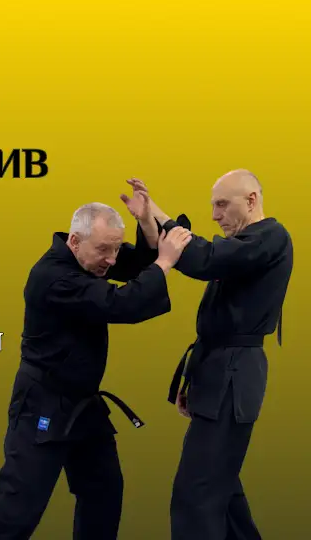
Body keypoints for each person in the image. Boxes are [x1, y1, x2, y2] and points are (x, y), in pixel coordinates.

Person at [0, 195, 192, 539]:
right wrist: (165, 262)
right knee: (17, 510)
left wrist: (146, 220)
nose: (111, 259)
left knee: (103, 492)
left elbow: (135, 266)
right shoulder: (53, 278)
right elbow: (122, 304)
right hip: (44, 404)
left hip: (84, 406)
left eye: (115, 248)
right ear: (75, 240)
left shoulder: (90, 256)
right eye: (105, 250)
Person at [125, 171, 293, 540]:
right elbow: (209, 262)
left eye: (222, 205)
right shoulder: (245, 245)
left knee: (197, 492)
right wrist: (195, 380)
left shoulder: (270, 237)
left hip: (234, 373)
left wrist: (158, 213)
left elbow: (205, 259)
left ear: (251, 200)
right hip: (219, 371)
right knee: (223, 488)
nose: (215, 215)